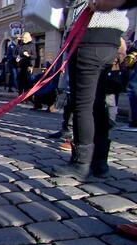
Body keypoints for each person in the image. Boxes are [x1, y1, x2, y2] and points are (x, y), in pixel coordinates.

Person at [53, 0, 129, 179]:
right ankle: (100, 162)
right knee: (98, 101)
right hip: (111, 38)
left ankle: (81, 163)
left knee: (83, 104)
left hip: (89, 35)